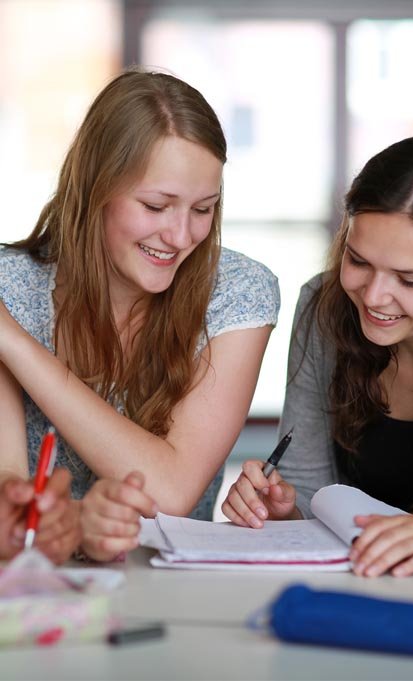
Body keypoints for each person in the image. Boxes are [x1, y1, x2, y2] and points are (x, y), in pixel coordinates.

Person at [0, 68, 279, 562]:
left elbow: (170, 490)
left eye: (203, 209)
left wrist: (16, 345)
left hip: (173, 601)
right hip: (37, 599)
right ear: (94, 190)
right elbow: (11, 504)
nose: (181, 236)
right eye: (156, 206)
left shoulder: (237, 293)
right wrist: (77, 524)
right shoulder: (10, 288)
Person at [222, 135, 413, 577]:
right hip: (359, 593)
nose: (373, 296)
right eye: (358, 260)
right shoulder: (324, 308)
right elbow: (311, 500)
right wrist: (281, 514)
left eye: (409, 281)